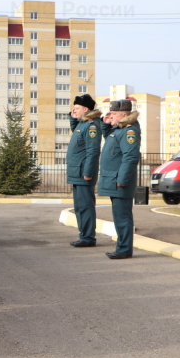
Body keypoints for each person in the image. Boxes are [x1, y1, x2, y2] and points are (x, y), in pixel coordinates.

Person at [98, 100, 142, 259]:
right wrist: (106, 124)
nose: (111, 116)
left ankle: (124, 249)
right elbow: (110, 138)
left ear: (124, 115)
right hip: (114, 180)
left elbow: (130, 157)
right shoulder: (119, 130)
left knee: (122, 217)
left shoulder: (129, 131)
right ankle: (122, 247)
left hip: (119, 181)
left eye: (114, 114)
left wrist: (122, 179)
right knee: (119, 216)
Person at [66, 94, 102, 247]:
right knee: (79, 206)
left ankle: (88, 237)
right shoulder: (81, 124)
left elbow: (93, 151)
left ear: (86, 109)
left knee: (86, 206)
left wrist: (88, 172)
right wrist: (73, 116)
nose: (73, 110)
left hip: (83, 173)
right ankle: (84, 235)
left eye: (76, 108)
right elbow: (74, 128)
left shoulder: (92, 126)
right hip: (76, 172)